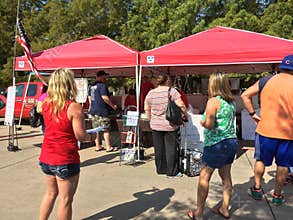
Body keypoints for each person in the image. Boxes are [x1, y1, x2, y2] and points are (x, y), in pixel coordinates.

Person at [241, 54, 293, 206]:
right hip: (288, 132)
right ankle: (277, 195)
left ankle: (257, 189)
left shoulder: (266, 80)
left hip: (266, 130)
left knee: (261, 160)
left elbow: (245, 95)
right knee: (283, 165)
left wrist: (253, 115)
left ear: (281, 67)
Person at [39, 68, 89, 220]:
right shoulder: (73, 107)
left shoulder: (46, 104)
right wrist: (90, 136)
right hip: (65, 158)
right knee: (65, 200)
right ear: (69, 85)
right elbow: (80, 135)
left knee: (50, 194)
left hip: (47, 156)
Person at [188, 73, 238, 220]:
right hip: (231, 142)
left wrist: (202, 122)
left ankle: (199, 213)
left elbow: (209, 125)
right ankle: (225, 208)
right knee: (226, 177)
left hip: (216, 144)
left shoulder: (213, 101)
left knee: (204, 177)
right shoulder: (231, 102)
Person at [144, 73, 188, 178]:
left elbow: (146, 108)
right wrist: (185, 115)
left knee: (159, 148)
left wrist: (150, 120)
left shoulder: (151, 93)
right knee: (171, 148)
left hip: (155, 125)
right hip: (169, 125)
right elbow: (181, 104)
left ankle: (160, 169)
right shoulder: (172, 91)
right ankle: (171, 171)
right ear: (167, 81)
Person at [88, 70, 118, 152]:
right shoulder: (102, 86)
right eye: (105, 77)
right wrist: (113, 106)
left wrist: (92, 106)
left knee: (96, 129)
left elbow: (89, 98)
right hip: (102, 110)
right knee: (106, 129)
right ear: (101, 76)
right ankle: (108, 147)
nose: (106, 79)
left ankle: (98, 146)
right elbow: (105, 98)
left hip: (93, 110)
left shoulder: (91, 86)